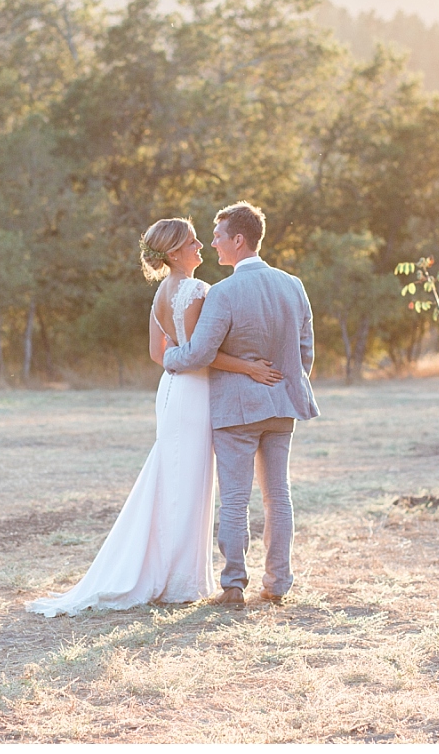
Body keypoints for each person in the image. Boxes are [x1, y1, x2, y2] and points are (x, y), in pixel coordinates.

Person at [26, 218, 282, 617]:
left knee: (173, 475)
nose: (201, 244)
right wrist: (250, 368)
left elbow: (157, 354)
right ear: (175, 252)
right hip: (195, 392)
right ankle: (178, 579)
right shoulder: (199, 290)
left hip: (171, 389)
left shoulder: (161, 292)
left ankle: (172, 570)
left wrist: (178, 365)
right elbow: (204, 352)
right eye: (192, 241)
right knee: (188, 481)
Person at [162, 201, 319, 607]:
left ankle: (233, 585)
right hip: (283, 406)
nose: (212, 243)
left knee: (234, 499)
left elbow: (198, 353)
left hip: (236, 410)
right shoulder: (293, 285)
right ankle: (278, 582)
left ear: (238, 239)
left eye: (217, 236)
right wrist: (283, 383)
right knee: (278, 496)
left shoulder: (225, 292)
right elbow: (306, 353)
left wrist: (169, 358)